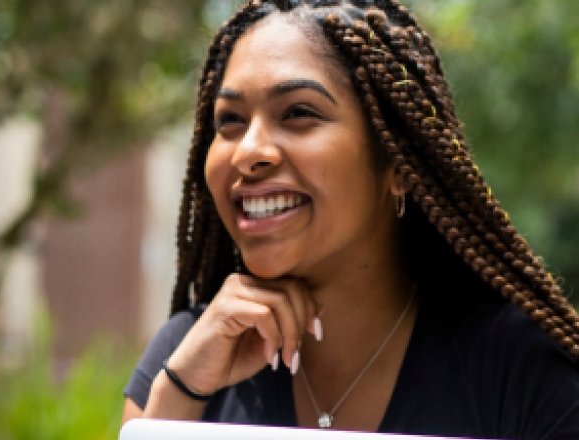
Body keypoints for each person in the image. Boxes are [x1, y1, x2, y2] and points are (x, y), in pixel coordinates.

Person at [121, 1, 579, 438]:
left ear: (399, 164)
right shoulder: (188, 354)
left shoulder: (522, 372)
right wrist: (179, 394)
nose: (248, 151)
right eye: (230, 122)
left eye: (299, 113)